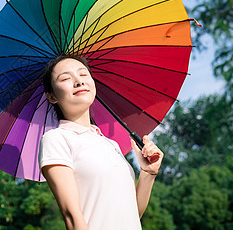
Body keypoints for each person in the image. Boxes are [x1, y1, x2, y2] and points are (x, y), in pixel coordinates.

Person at [38, 54, 163, 230]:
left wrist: (148, 173)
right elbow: (72, 217)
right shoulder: (56, 139)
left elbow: (132, 214)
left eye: (83, 74)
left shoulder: (110, 144)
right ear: (52, 97)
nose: (78, 81)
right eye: (66, 78)